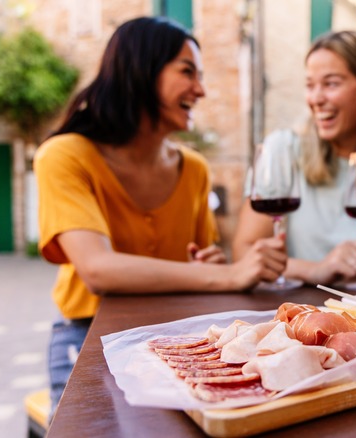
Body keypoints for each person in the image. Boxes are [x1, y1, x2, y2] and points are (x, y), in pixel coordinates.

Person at [33, 17, 287, 415]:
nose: (200, 90)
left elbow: (205, 260)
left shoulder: (195, 168)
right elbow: (97, 270)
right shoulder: (64, 155)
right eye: (187, 72)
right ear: (140, 71)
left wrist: (212, 265)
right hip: (86, 334)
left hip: (177, 329)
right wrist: (228, 274)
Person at [232, 30, 356, 286]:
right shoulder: (283, 149)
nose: (316, 99)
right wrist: (316, 269)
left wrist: (347, 262)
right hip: (294, 308)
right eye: (310, 85)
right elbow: (245, 250)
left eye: (331, 84)